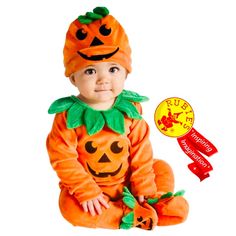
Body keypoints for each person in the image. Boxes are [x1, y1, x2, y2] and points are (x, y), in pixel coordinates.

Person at [46, 6, 189, 230]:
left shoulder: (131, 109)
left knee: (161, 167)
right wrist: (86, 191)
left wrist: (143, 186)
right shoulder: (67, 117)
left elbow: (141, 149)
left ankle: (154, 200)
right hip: (91, 188)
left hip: (129, 179)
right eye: (90, 71)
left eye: (113, 69)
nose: (103, 79)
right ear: (73, 78)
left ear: (126, 73)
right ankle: (129, 216)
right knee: (68, 207)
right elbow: (62, 158)